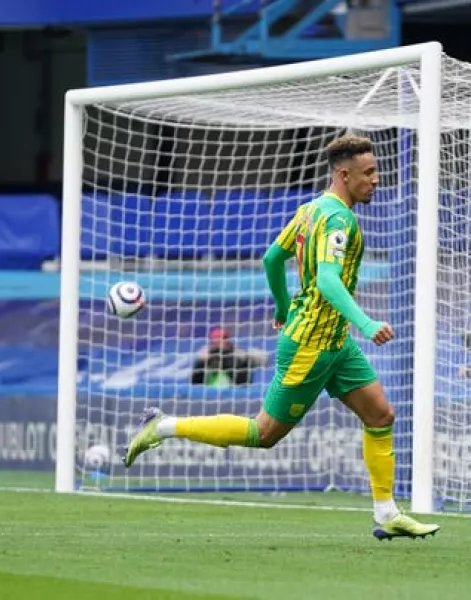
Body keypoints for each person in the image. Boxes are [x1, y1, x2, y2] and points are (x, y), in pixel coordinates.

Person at [123, 135, 440, 540]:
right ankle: (163, 426)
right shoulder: (339, 219)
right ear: (344, 174)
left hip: (334, 342)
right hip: (310, 344)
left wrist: (281, 305)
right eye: (369, 173)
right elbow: (326, 278)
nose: (376, 180)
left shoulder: (310, 211)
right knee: (263, 433)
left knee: (380, 415)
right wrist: (366, 323)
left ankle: (386, 512)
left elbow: (272, 257)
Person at [190, 327, 267, 387]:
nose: (221, 342)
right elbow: (196, 383)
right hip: (210, 394)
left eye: (224, 338)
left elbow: (263, 360)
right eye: (217, 339)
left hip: (235, 394)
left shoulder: (239, 354)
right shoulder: (208, 357)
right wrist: (202, 362)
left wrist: (227, 361)